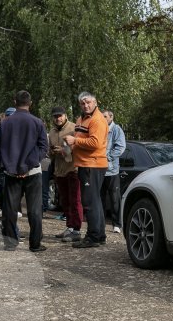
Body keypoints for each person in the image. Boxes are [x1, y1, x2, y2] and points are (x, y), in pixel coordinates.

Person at [0, 90, 48, 252]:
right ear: (30, 103)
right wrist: (29, 165)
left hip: (11, 172)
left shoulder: (4, 123)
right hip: (32, 172)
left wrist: (3, 166)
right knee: (35, 210)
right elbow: (43, 148)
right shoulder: (38, 123)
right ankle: (35, 244)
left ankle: (10, 243)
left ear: (14, 102)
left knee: (9, 210)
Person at [63, 91, 108, 248]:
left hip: (93, 165)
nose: (86, 105)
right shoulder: (81, 119)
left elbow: (95, 143)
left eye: (88, 102)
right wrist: (71, 146)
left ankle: (93, 236)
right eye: (83, 103)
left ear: (95, 102)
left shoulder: (97, 120)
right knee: (94, 201)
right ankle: (99, 235)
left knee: (89, 202)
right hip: (85, 164)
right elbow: (83, 140)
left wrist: (75, 140)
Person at [48, 106, 83, 242]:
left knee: (75, 201)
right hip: (59, 171)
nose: (58, 118)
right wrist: (51, 152)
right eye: (55, 116)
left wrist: (63, 150)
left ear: (65, 115)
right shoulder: (51, 132)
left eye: (60, 116)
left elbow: (79, 148)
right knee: (65, 201)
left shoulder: (74, 128)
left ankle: (77, 230)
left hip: (73, 169)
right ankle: (69, 227)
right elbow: (49, 153)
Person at [101, 109, 125, 233]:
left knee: (114, 198)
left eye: (105, 116)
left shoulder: (116, 130)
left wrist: (107, 157)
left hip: (111, 170)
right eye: (102, 116)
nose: (103, 118)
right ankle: (101, 223)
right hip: (99, 169)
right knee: (100, 198)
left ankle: (117, 224)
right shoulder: (100, 128)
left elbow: (120, 147)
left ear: (111, 117)